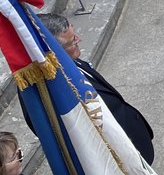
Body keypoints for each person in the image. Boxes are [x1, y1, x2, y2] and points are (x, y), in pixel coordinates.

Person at [38, 14, 156, 163]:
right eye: (72, 41)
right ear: (54, 52)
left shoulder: (70, 62)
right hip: (120, 157)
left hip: (134, 142)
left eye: (74, 36)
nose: (79, 40)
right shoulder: (57, 90)